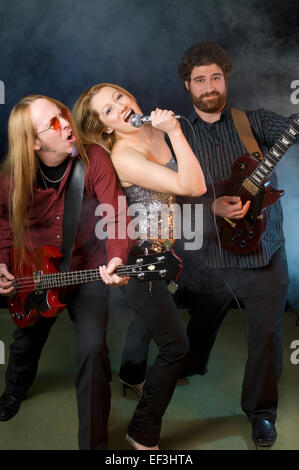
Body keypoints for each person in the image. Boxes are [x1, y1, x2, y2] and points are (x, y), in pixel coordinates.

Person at [116, 41, 298, 448]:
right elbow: (165, 194)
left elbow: (292, 129)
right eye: (200, 79)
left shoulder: (254, 121)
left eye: (216, 76)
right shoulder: (174, 136)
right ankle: (152, 370)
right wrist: (211, 204)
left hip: (265, 252)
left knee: (266, 337)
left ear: (225, 79)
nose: (209, 85)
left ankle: (261, 413)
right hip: (209, 259)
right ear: (187, 86)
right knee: (178, 323)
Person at [73, 83, 207, 450]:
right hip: (138, 259)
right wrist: (176, 131)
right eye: (109, 110)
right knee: (176, 347)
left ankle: (131, 373)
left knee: (150, 319)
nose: (121, 106)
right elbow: (192, 186)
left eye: (119, 97)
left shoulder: (151, 127)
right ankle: (142, 431)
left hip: (165, 248)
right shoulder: (124, 156)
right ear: (105, 128)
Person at [0, 95, 132, 450]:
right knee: (25, 341)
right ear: (34, 142)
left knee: (93, 351)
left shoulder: (95, 159)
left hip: (86, 271)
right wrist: (1, 264)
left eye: (63, 113)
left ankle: (94, 445)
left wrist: (117, 257)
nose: (66, 123)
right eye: (53, 123)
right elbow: (1, 222)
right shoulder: (13, 177)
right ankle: (13, 392)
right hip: (35, 274)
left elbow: (117, 213)